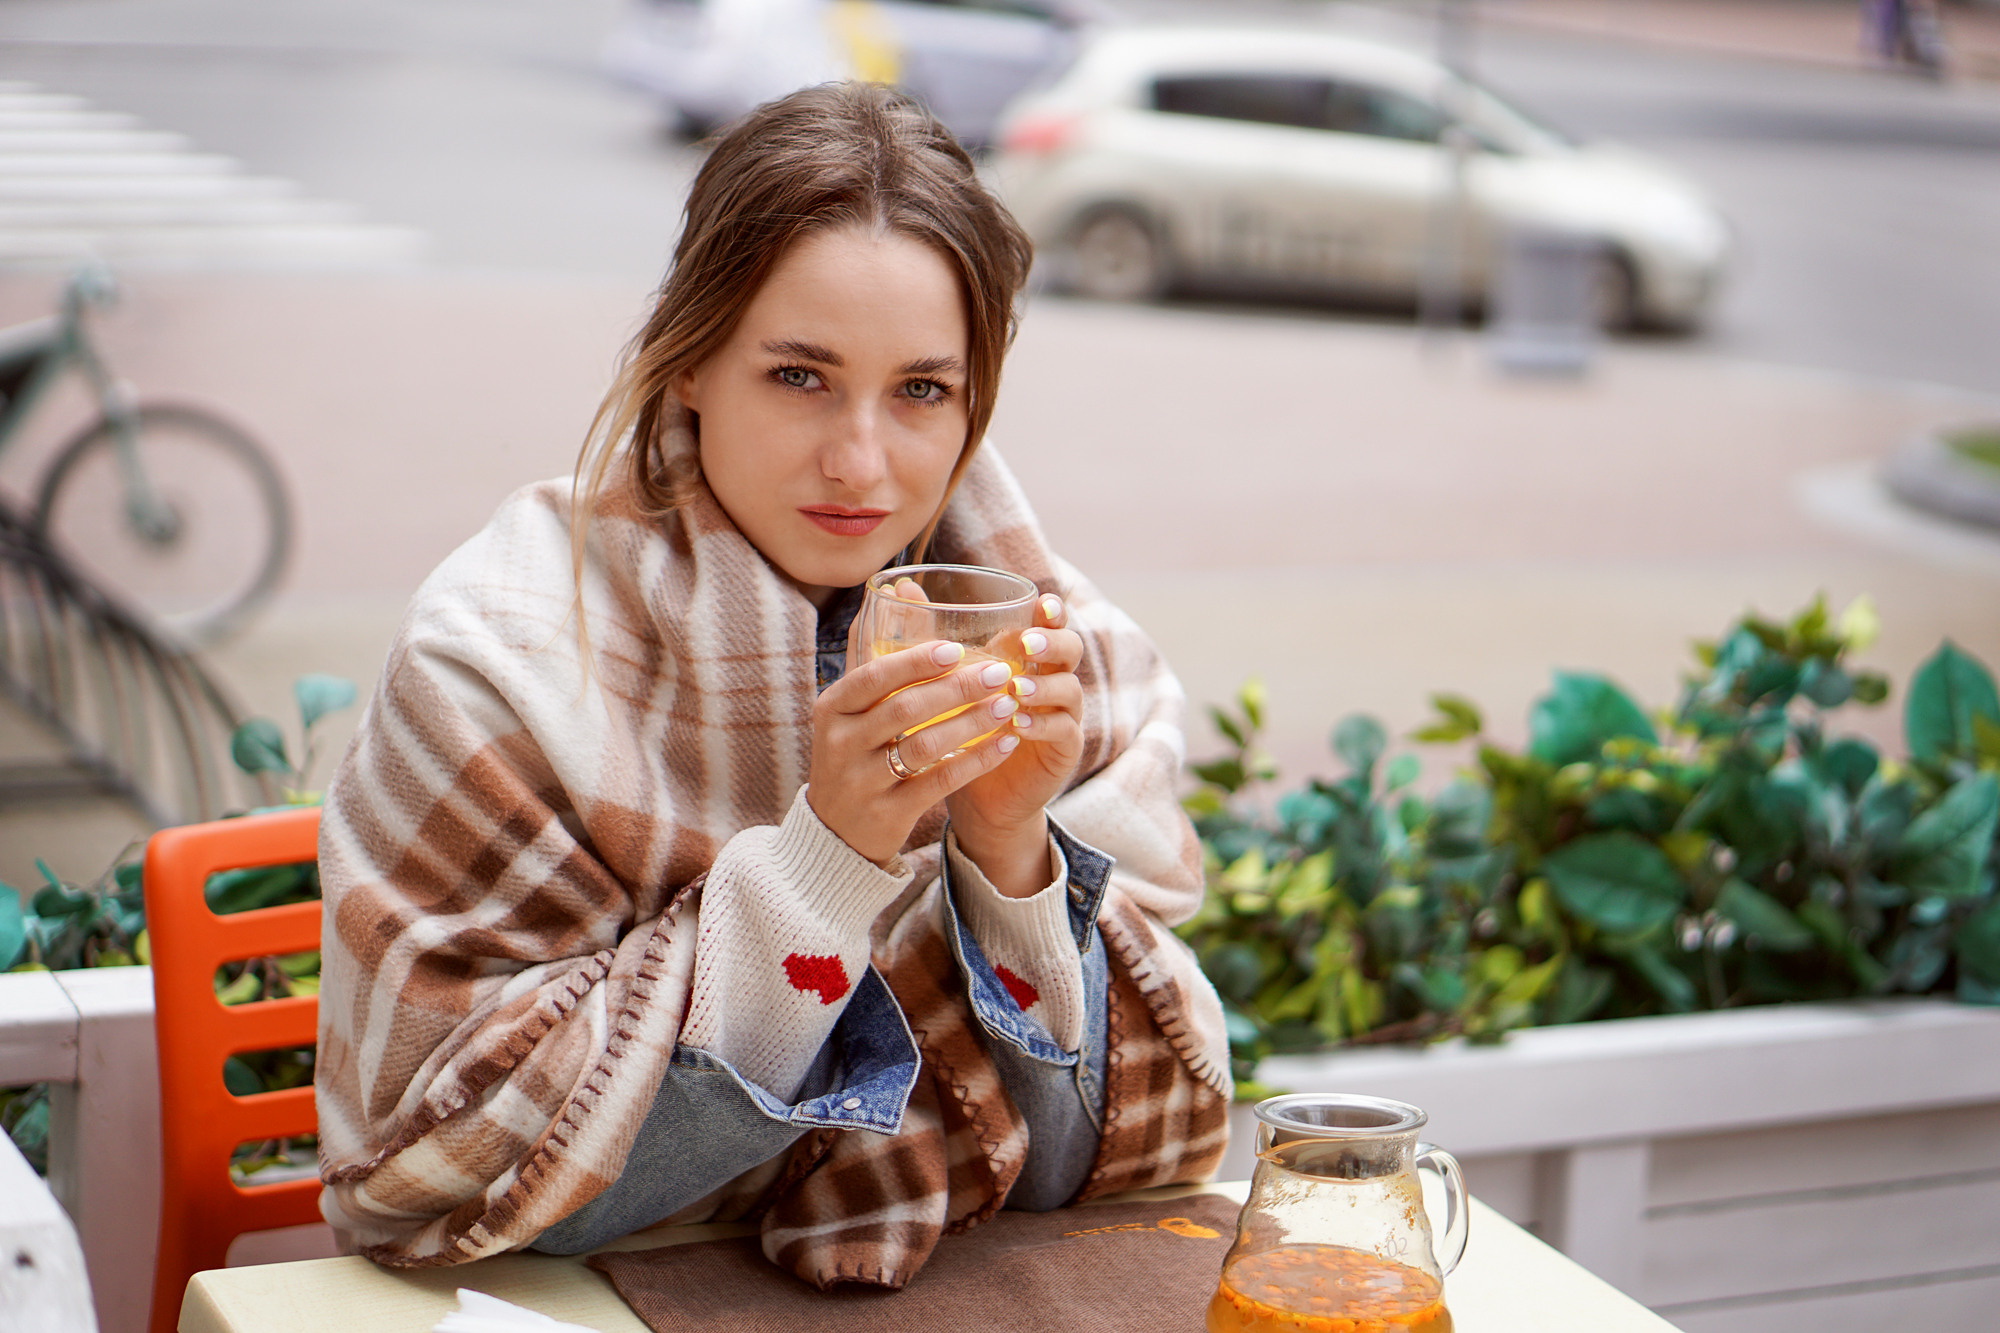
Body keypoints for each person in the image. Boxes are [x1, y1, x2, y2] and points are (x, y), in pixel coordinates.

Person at [313, 81, 1230, 1289]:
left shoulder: (1062, 650)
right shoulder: (498, 660)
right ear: (688, 358)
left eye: (920, 391)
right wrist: (827, 862)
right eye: (799, 375)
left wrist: (1009, 854)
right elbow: (446, 1184)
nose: (861, 462)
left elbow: (1092, 1165)